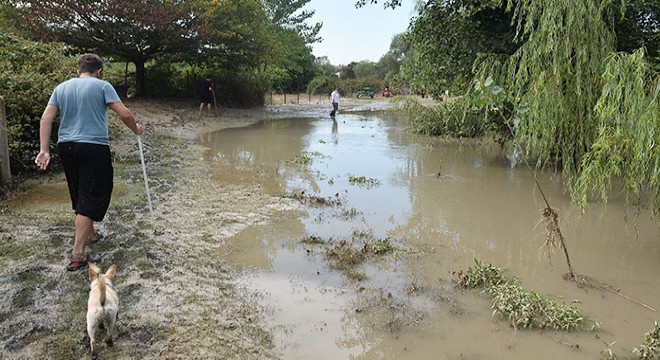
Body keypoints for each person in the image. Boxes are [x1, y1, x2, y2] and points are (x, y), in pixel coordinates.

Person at [35, 53, 144, 271]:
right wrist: (136, 129)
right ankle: (78, 253)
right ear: (99, 71)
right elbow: (124, 114)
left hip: (66, 146)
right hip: (93, 147)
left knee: (80, 191)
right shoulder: (102, 86)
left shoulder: (61, 87)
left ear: (78, 70)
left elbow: (46, 118)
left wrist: (44, 150)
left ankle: (91, 233)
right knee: (92, 194)